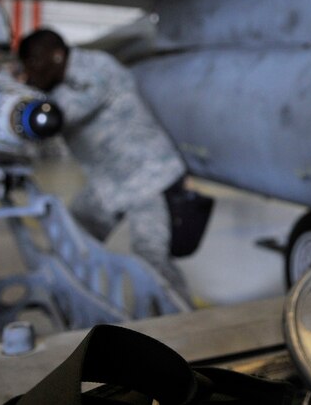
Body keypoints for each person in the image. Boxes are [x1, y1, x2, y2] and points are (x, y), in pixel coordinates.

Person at [18, 28, 194, 305]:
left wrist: (23, 97)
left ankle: (184, 318)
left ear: (57, 55)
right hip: (108, 182)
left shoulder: (95, 68)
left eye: (34, 62)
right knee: (73, 233)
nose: (31, 71)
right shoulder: (57, 83)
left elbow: (63, 114)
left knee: (152, 259)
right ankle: (83, 298)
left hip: (148, 179)